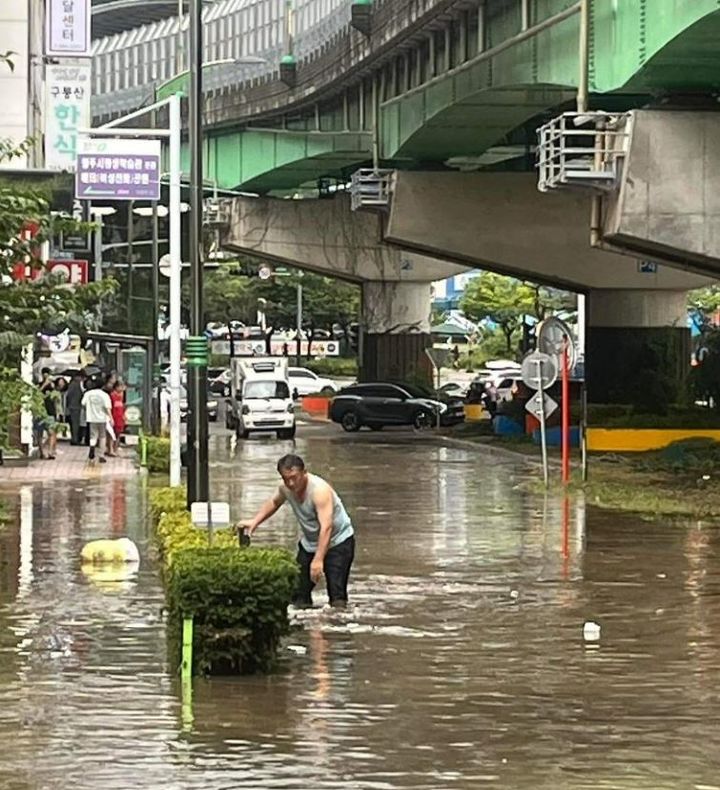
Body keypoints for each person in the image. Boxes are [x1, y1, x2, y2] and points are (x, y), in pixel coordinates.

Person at [240, 454, 355, 609]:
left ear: (304, 473)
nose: (291, 483)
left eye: (294, 477)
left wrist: (318, 559)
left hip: (338, 541)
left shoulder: (319, 491)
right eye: (286, 479)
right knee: (298, 594)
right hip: (310, 543)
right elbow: (274, 502)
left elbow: (326, 527)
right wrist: (255, 522)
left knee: (336, 595)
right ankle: (305, 628)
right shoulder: (285, 488)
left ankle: (337, 629)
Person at [81, 380, 112, 463]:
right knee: (102, 436)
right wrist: (111, 418)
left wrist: (88, 410)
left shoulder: (88, 394)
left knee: (93, 435)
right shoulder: (104, 395)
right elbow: (107, 407)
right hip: (102, 418)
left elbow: (83, 404)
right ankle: (101, 455)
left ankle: (92, 447)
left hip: (91, 418)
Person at [38, 368, 58, 460]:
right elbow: (37, 394)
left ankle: (50, 452)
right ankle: (41, 452)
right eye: (45, 374)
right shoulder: (39, 385)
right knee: (39, 433)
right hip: (40, 412)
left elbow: (56, 400)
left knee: (51, 432)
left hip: (50, 412)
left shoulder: (53, 387)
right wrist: (44, 384)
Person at [65, 372, 85, 445]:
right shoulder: (75, 384)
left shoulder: (73, 384)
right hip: (75, 406)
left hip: (74, 406)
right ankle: (75, 439)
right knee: (75, 424)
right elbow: (68, 395)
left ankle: (75, 438)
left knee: (75, 424)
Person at [110, 381, 126, 455]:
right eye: (120, 386)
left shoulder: (122, 395)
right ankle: (111, 449)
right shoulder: (112, 395)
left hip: (120, 416)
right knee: (112, 433)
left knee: (118, 433)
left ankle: (115, 448)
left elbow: (122, 406)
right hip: (114, 416)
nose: (122, 388)